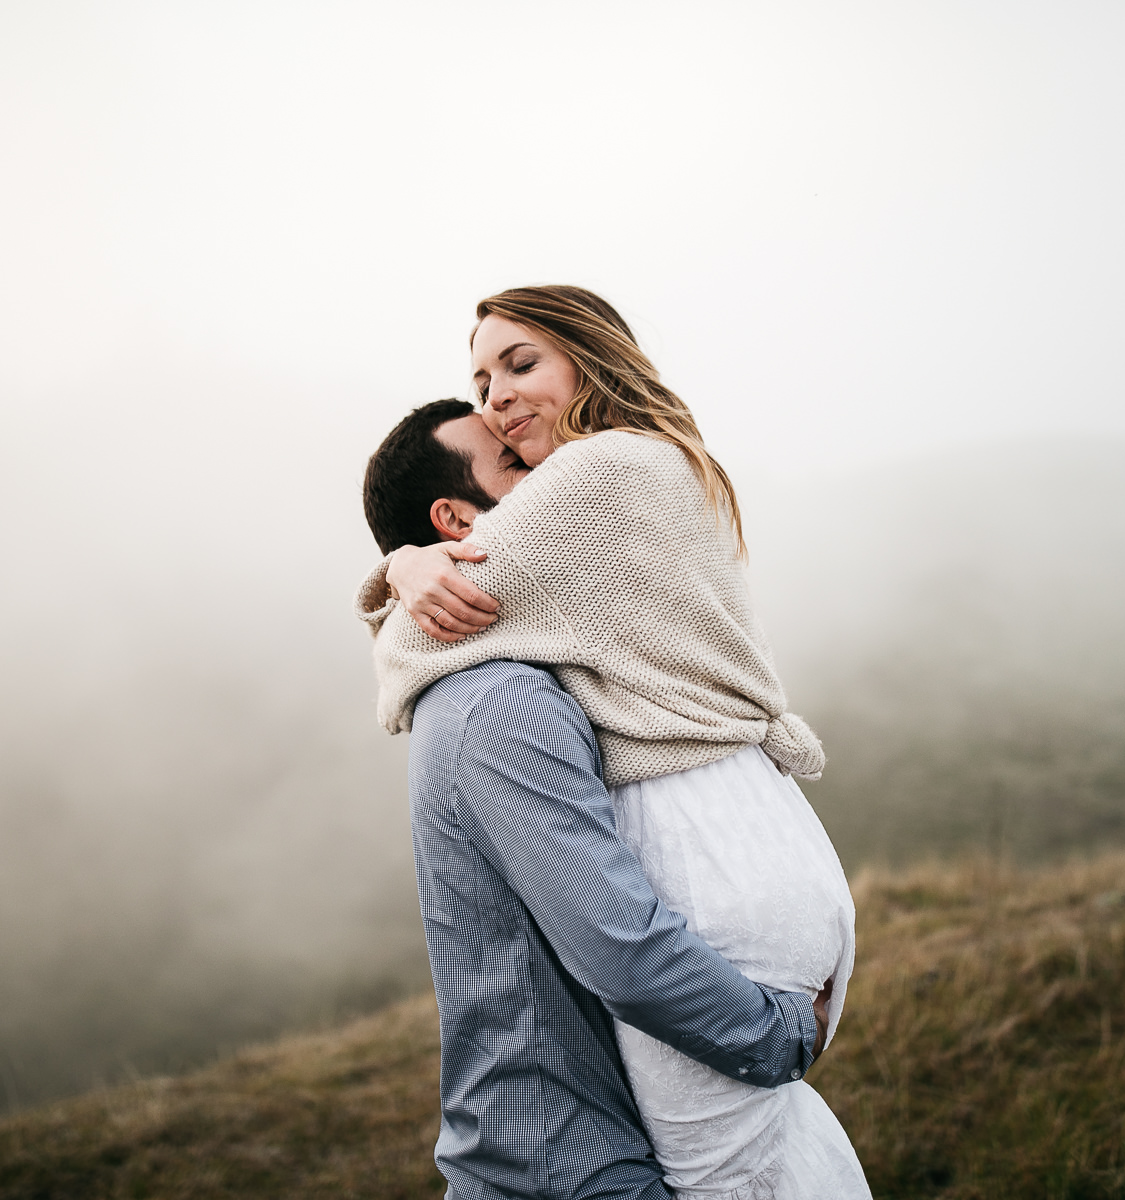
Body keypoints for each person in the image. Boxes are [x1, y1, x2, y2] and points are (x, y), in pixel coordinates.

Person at [356, 287, 869, 1197]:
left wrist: (402, 580)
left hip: (714, 864)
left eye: (522, 365)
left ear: (590, 359)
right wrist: (407, 561)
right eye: (482, 383)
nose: (498, 403)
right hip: (753, 835)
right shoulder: (651, 477)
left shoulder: (599, 480)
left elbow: (405, 645)